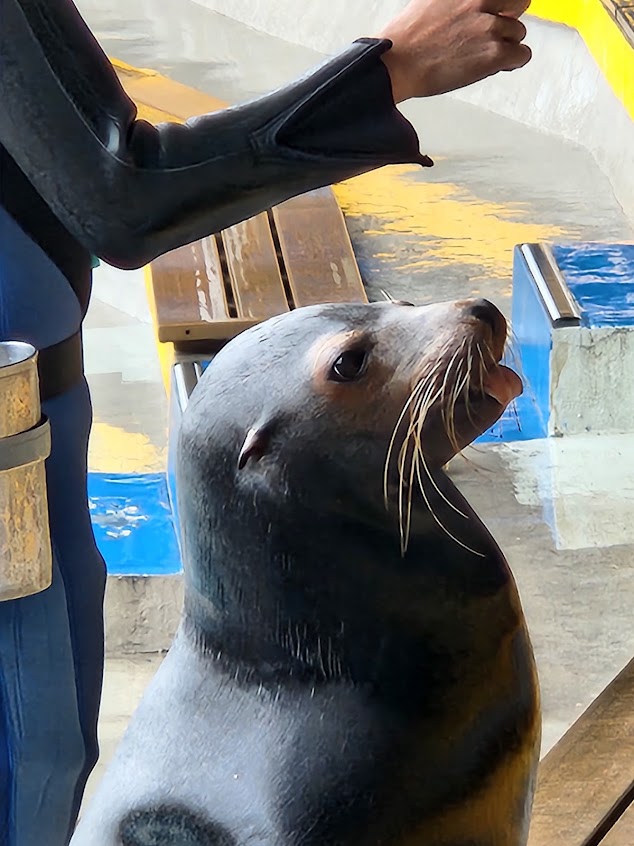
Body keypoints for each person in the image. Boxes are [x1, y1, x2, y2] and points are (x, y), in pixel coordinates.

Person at [0, 0, 532, 842]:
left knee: (44, 760)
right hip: (13, 445)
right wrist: (387, 70)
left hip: (35, 425)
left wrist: (379, 443)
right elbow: (119, 195)